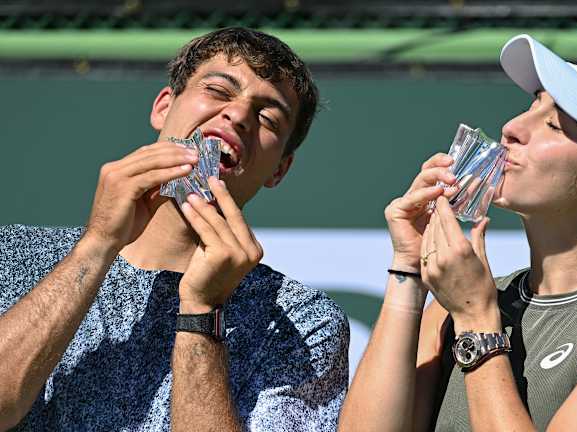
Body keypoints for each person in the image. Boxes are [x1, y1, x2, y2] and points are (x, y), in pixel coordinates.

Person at [340, 34, 577, 431]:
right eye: (531, 106)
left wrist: (477, 322)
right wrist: (408, 268)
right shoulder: (453, 307)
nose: (511, 128)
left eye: (554, 125)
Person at [0, 27, 348, 431]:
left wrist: (203, 309)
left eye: (267, 115)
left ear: (279, 170)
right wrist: (97, 246)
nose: (237, 115)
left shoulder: (304, 322)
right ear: (164, 108)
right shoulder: (13, 251)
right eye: (219, 91)